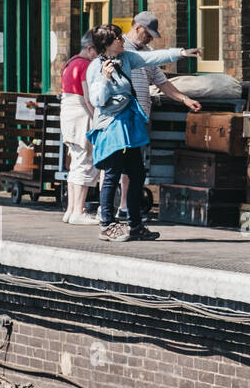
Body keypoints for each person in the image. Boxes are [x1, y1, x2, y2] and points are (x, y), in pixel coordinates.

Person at [87, 24, 199, 242]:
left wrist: (182, 52)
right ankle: (107, 224)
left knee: (137, 173)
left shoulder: (127, 58)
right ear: (107, 44)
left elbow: (153, 58)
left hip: (128, 124)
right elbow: (97, 100)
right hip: (110, 125)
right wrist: (105, 79)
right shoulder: (95, 68)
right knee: (112, 174)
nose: (122, 40)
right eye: (118, 38)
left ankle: (135, 224)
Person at [116, 11, 202, 222]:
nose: (150, 39)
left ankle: (126, 208)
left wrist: (184, 99)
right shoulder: (121, 50)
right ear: (137, 28)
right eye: (148, 34)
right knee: (116, 164)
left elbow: (161, 82)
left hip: (141, 117)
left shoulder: (148, 52)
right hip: (123, 116)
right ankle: (113, 208)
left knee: (135, 166)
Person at [60, 31, 101, 225]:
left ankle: (70, 210)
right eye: (98, 51)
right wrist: (97, 118)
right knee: (86, 161)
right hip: (81, 115)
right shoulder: (86, 65)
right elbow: (88, 97)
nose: (100, 56)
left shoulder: (70, 63)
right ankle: (79, 210)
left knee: (76, 162)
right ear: (89, 48)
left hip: (68, 115)